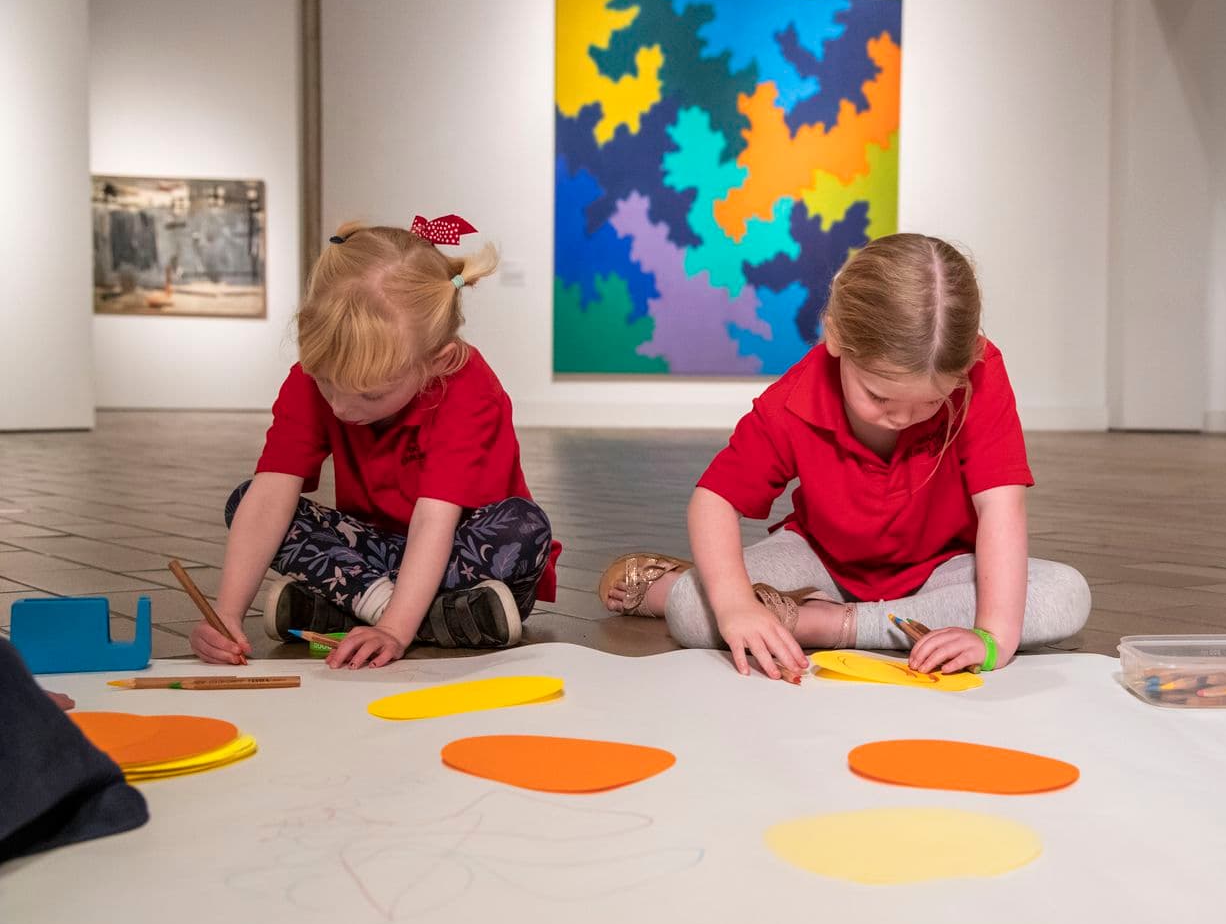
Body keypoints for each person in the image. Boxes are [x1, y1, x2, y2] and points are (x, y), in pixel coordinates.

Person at [598, 233, 1089, 679]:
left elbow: (1000, 507)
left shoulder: (983, 374)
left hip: (944, 567)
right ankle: (683, 583)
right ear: (835, 336)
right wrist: (734, 607)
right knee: (693, 609)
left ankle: (823, 623)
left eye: (932, 402)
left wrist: (992, 640)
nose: (902, 419)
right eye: (879, 397)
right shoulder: (795, 397)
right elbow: (713, 501)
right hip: (820, 558)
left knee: (1066, 595)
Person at [191, 216, 558, 670]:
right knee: (246, 500)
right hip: (378, 556)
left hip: (464, 557)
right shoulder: (310, 379)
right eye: (327, 384)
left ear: (436, 361)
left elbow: (433, 520)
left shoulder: (465, 385)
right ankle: (443, 620)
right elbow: (270, 496)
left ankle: (348, 608)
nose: (342, 407)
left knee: (524, 527)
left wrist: (394, 630)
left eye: (371, 394)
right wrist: (226, 615)